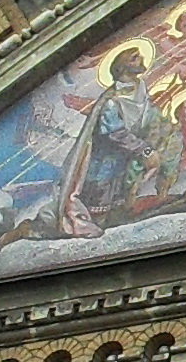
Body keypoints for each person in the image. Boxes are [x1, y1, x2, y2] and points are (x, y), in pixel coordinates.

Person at [56, 46, 177, 229]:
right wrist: (146, 151)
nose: (142, 59)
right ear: (122, 68)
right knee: (100, 211)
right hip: (104, 167)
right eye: (134, 58)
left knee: (121, 209)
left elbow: (147, 115)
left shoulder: (140, 89)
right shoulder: (112, 101)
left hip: (125, 163)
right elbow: (116, 132)